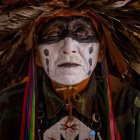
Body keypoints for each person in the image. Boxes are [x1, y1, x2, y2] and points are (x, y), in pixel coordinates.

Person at [0, 0, 140, 140]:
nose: (68, 48)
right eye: (53, 33)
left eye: (82, 32)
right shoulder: (6, 106)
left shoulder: (132, 107)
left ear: (101, 49)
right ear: (36, 53)